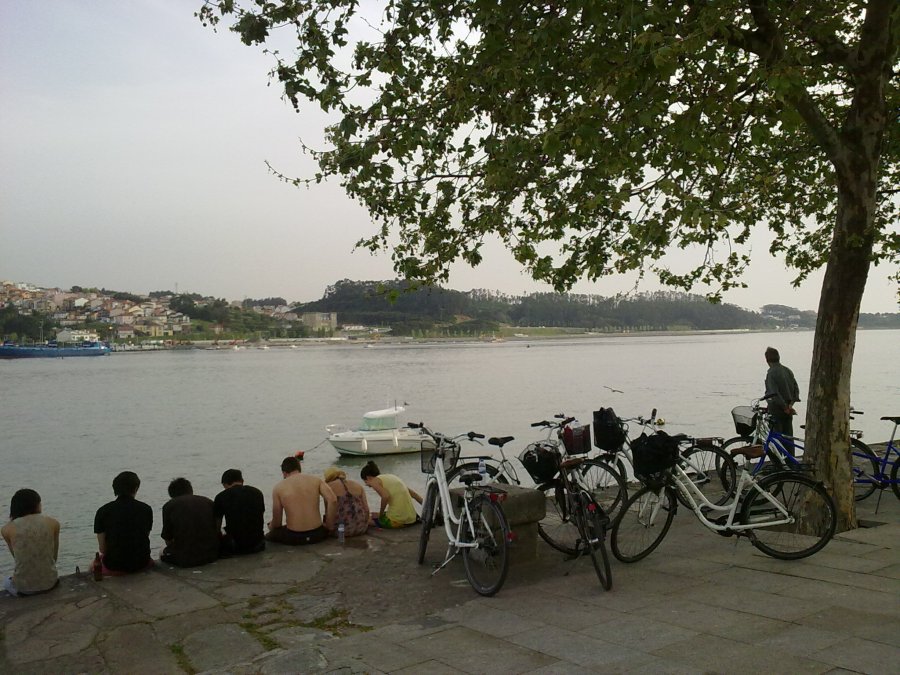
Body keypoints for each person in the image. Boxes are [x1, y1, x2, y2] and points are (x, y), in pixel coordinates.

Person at [93, 471, 153, 575]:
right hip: (142, 562)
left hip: (114, 565)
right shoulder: (146, 509)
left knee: (92, 566)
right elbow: (144, 537)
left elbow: (103, 549)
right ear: (136, 488)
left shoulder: (103, 511)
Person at [266, 456, 336, 545]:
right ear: (299, 468)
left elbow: (277, 523)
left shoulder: (278, 488)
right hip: (318, 534)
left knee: (269, 536)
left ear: (284, 473)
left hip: (294, 537)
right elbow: (333, 500)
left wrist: (270, 525)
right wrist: (329, 525)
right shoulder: (316, 480)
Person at [2, 489, 60, 596]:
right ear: (37, 505)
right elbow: (54, 557)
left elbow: (18, 559)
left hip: (24, 589)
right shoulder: (53, 523)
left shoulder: (7, 529)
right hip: (51, 583)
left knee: (6, 581)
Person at [160, 478, 219, 567]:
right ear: (190, 490)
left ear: (171, 494)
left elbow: (167, 537)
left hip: (185, 560)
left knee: (162, 551)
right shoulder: (208, 501)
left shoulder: (169, 505)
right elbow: (216, 528)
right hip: (212, 555)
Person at [214, 469, 265, 556]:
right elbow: (260, 516)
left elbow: (217, 526)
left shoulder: (221, 497)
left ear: (225, 484)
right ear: (242, 481)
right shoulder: (257, 493)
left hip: (235, 546)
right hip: (258, 544)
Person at [360, 461, 422, 528]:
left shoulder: (373, 481)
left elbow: (385, 496)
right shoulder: (391, 478)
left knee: (366, 520)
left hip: (399, 521)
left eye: (365, 482)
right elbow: (414, 494)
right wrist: (427, 507)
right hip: (412, 518)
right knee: (374, 514)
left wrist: (380, 515)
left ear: (368, 477)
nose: (366, 485)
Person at [764, 346, 801, 438]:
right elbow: (796, 389)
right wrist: (790, 405)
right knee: (788, 438)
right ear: (778, 357)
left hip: (776, 410)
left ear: (767, 360)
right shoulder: (787, 370)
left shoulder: (771, 373)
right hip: (788, 410)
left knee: (776, 439)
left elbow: (774, 393)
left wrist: (784, 407)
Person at [323, 467, 370, 537]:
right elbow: (367, 510)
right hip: (361, 528)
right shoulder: (358, 485)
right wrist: (365, 523)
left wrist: (328, 527)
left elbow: (328, 513)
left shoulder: (328, 487)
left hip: (340, 532)